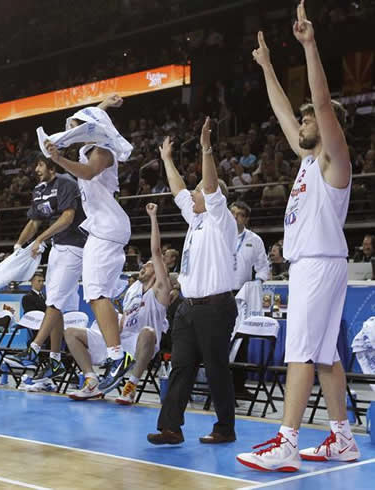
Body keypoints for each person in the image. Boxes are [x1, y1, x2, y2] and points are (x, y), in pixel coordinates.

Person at [238, 2, 360, 471]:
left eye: (311, 122)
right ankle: (342, 437)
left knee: (302, 352)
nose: (304, 123)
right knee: (326, 354)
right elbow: (283, 110)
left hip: (318, 262)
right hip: (315, 263)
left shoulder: (334, 160)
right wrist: (267, 65)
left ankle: (287, 440)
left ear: (327, 131)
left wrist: (309, 46)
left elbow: (322, 104)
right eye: (305, 121)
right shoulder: (308, 160)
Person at [147, 118, 238, 446]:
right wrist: (167, 160)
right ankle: (171, 427)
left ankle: (225, 428)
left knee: (216, 370)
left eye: (200, 189)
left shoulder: (219, 219)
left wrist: (205, 148)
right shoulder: (196, 219)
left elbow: (211, 186)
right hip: (188, 307)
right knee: (181, 367)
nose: (195, 192)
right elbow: (177, 191)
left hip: (215, 306)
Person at [41, 94, 135, 395]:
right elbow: (85, 124)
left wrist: (57, 159)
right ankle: (109, 363)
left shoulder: (103, 151)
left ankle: (117, 357)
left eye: (80, 125)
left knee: (96, 293)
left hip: (107, 228)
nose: (73, 129)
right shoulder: (91, 145)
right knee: (96, 294)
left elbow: (88, 172)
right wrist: (104, 104)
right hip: (103, 229)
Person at [65, 203, 171, 403]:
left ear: (158, 272)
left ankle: (131, 385)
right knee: (71, 333)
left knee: (148, 331)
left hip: (141, 344)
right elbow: (121, 323)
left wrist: (153, 217)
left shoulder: (160, 291)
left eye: (149, 266)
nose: (143, 267)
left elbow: (156, 252)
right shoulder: (131, 290)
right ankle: (91, 381)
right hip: (120, 345)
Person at [5, 154, 87, 382]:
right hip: (57, 248)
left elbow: (68, 217)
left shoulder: (66, 183)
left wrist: (39, 239)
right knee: (56, 304)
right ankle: (55, 361)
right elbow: (34, 222)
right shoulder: (39, 190)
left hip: (75, 246)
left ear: (50, 165)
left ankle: (33, 349)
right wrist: (19, 246)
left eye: (39, 164)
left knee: (54, 301)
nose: (36, 169)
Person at [230, 200, 270, 398]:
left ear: (246, 218)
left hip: (242, 294)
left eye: (239, 214)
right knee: (217, 339)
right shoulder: (218, 235)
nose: (234, 217)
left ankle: (238, 386)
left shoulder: (254, 239)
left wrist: (257, 283)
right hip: (219, 291)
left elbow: (263, 267)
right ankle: (216, 384)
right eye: (232, 213)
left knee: (241, 340)